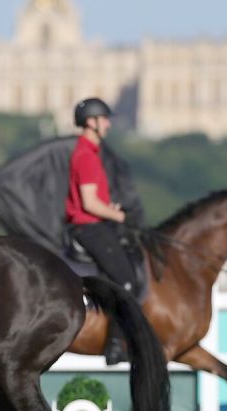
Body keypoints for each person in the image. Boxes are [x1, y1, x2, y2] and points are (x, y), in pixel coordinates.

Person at [66, 97, 137, 364]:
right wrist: (120, 215)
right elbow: (89, 203)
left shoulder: (91, 154)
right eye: (105, 119)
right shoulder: (85, 156)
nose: (108, 124)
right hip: (89, 228)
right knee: (127, 281)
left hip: (96, 224)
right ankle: (116, 343)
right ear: (92, 122)